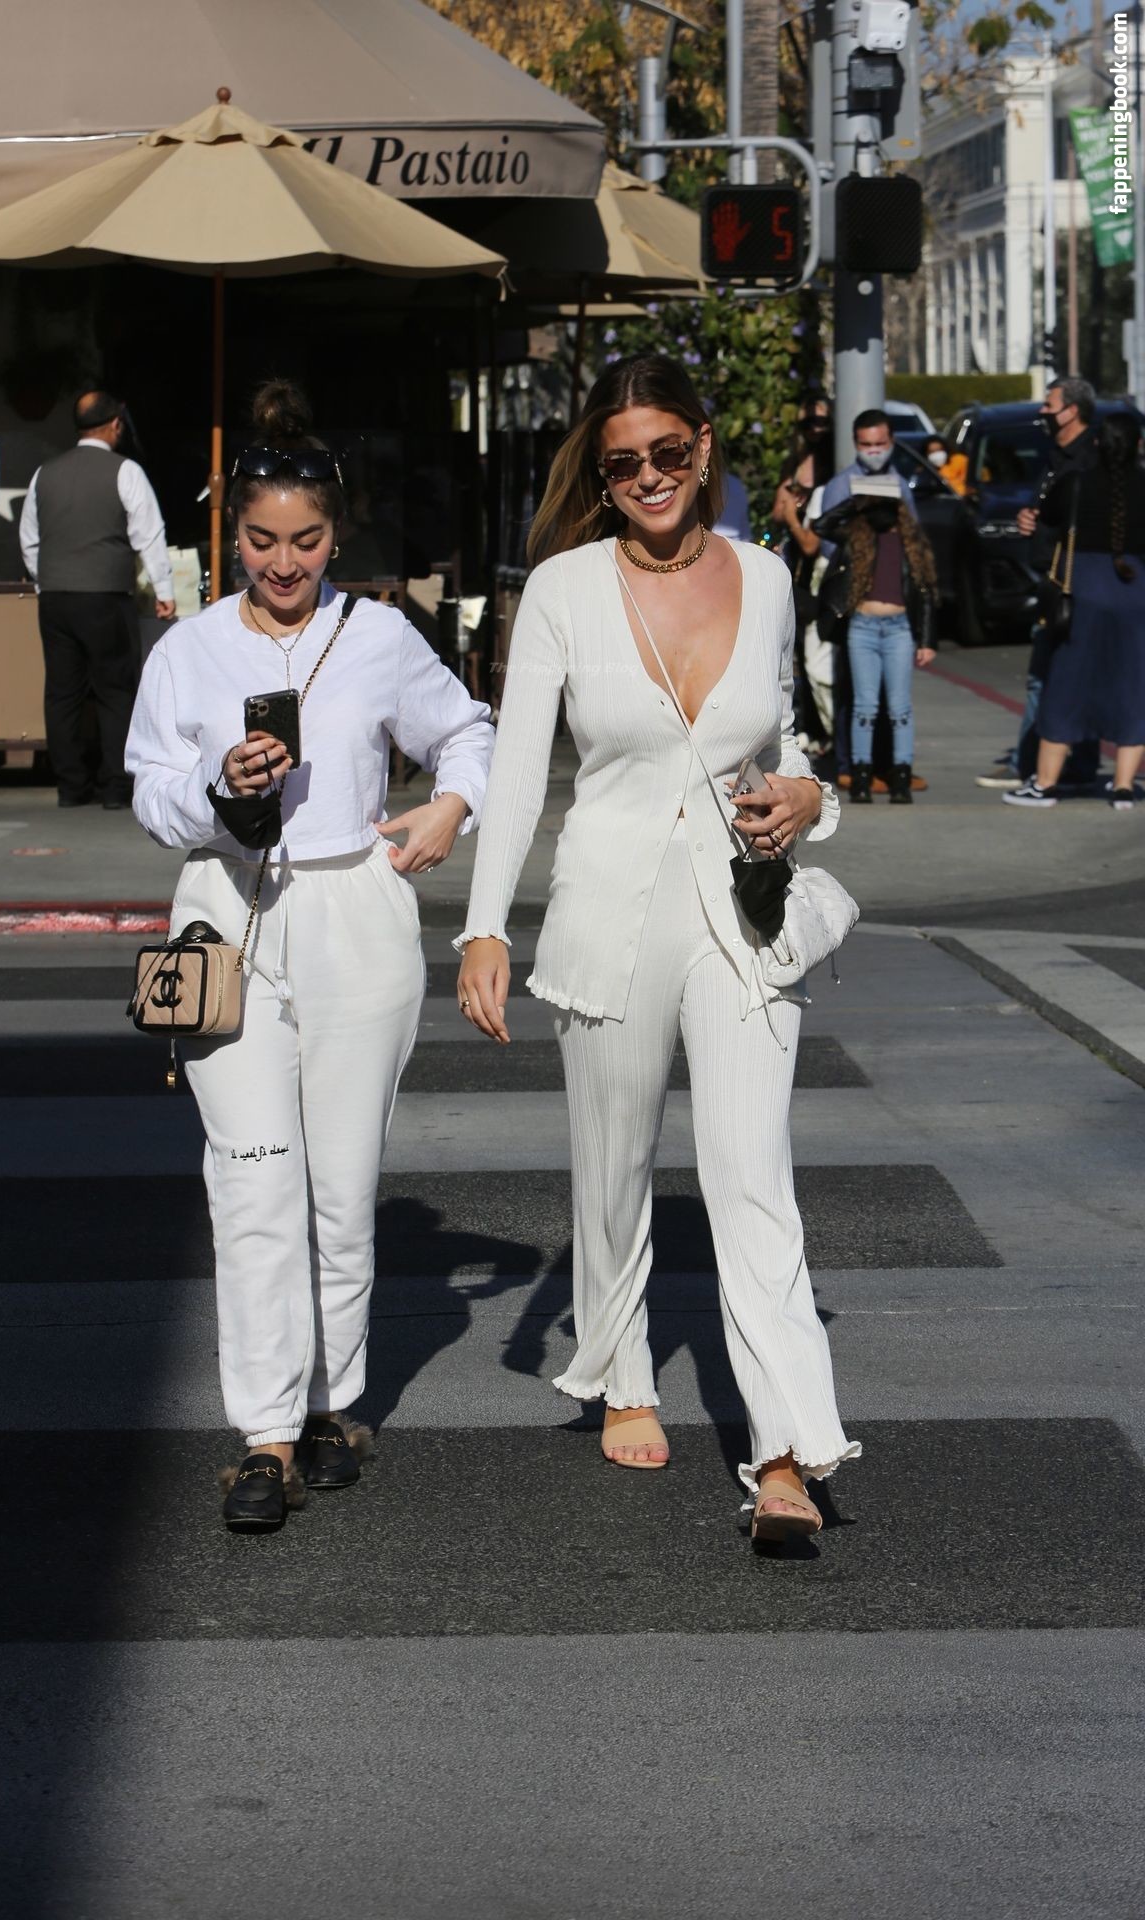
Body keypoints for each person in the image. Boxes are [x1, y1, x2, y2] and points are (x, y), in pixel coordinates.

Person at [455, 353, 858, 1546]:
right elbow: (517, 772)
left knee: (753, 1177)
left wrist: (809, 796)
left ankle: (784, 1451)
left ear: (701, 446)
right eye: (621, 461)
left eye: (666, 453)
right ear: (599, 471)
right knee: (613, 1164)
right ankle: (621, 1369)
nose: (646, 477)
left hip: (740, 916)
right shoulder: (563, 589)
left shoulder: (767, 578)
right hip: (607, 907)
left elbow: (787, 737)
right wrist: (484, 925)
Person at [125, 379, 494, 1530]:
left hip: (354, 908)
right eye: (259, 540)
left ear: (337, 535)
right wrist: (211, 785)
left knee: (338, 1187)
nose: (281, 564)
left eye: (304, 541)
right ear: (228, 535)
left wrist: (449, 808)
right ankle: (266, 1434)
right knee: (249, 1181)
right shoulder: (186, 650)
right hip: (223, 910)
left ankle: (334, 1401)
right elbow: (146, 790)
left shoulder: (376, 636)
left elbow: (468, 731)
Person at [20, 391, 176, 809]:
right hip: (106, 596)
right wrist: (164, 591)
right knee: (115, 691)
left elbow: (29, 540)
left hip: (55, 599)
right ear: (115, 425)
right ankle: (115, 787)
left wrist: (44, 581)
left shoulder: (44, 474)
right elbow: (149, 534)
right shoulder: (125, 471)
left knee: (62, 692)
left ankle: (70, 787)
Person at [789, 409, 935, 801]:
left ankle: (893, 768)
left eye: (880, 443)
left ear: (891, 442)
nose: (874, 451)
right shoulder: (842, 485)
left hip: (894, 613)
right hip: (855, 608)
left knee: (894, 703)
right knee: (855, 696)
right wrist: (859, 503)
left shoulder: (900, 484)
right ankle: (852, 767)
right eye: (867, 444)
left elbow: (915, 551)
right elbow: (828, 541)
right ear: (856, 444)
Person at [1004, 414, 1145, 810]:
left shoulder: (1076, 482)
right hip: (1136, 593)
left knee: (1066, 685)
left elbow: (1046, 518)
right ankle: (1123, 788)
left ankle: (1045, 784)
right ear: (1138, 446)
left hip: (1084, 592)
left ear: (1098, 444)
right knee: (1133, 687)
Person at [978, 377, 1101, 791]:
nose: (1043, 413)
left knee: (1057, 675)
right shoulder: (1056, 457)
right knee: (1051, 675)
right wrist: (1031, 518)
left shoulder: (1088, 460)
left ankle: (1041, 763)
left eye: (1050, 406)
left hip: (1074, 584)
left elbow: (1086, 522)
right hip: (1050, 577)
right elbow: (1048, 511)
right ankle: (1047, 761)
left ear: (1072, 411)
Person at [772, 399, 836, 756]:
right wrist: (789, 507)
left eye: (822, 422)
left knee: (818, 656)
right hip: (797, 567)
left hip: (823, 570)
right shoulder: (794, 462)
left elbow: (810, 538)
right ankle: (813, 726)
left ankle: (829, 730)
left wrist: (794, 515)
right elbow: (777, 510)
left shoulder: (834, 466)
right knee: (799, 653)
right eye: (808, 423)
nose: (815, 429)